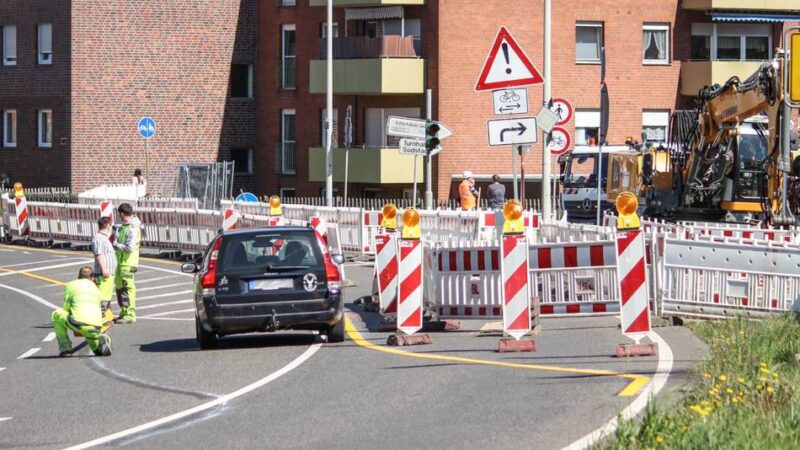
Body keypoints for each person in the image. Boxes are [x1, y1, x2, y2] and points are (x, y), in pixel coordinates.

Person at [51, 267, 112, 357]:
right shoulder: (96, 288)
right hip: (96, 325)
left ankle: (66, 349)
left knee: (57, 315)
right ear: (93, 277)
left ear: (78, 276)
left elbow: (66, 306)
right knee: (96, 348)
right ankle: (104, 340)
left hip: (79, 323)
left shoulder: (71, 285)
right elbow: (102, 307)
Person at [113, 203, 141, 324]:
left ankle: (130, 314)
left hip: (128, 264)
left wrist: (116, 245)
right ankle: (124, 311)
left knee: (127, 288)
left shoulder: (132, 229)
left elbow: (129, 248)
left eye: (119, 215)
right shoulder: (124, 227)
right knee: (119, 288)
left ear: (122, 214)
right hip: (120, 263)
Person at [92, 217, 116, 319]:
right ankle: (100, 317)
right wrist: (104, 268)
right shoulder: (98, 238)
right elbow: (99, 254)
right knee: (103, 296)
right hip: (103, 273)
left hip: (108, 272)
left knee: (107, 295)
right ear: (108, 226)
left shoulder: (103, 237)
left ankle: (103, 316)